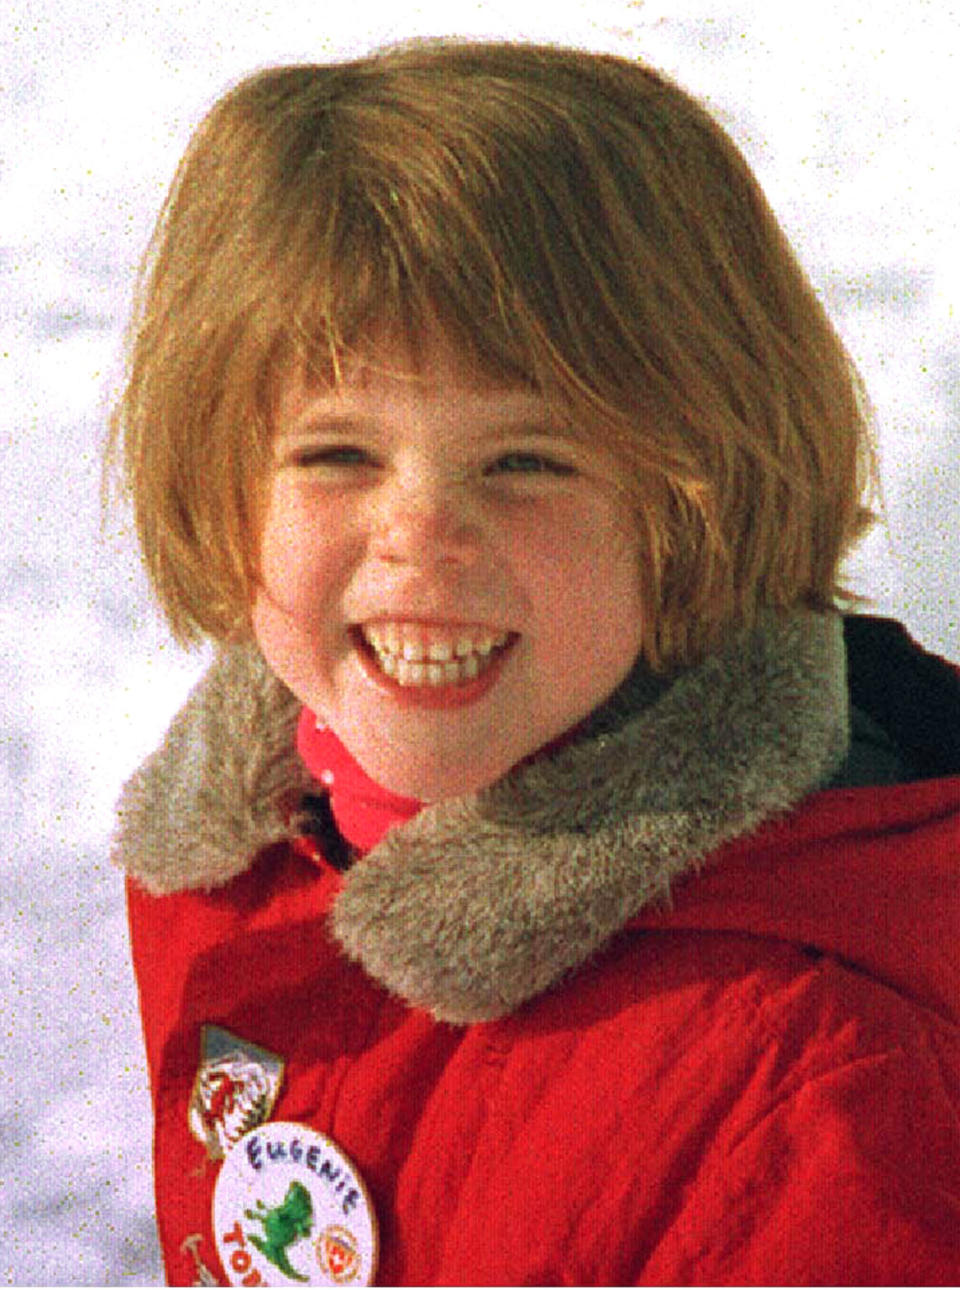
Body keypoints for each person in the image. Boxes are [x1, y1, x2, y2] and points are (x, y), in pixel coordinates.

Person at [109, 38, 960, 1287]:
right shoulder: (245, 864)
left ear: (698, 501)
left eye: (528, 461)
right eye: (335, 454)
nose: (419, 541)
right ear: (217, 482)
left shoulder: (812, 1078)